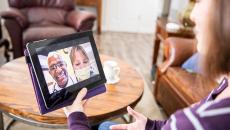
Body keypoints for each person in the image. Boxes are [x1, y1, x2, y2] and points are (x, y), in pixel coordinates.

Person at [64, 0, 230, 130]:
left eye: (200, 1)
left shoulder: (196, 122)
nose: (192, 15)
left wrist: (76, 118)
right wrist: (151, 126)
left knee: (99, 125)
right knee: (105, 126)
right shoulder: (224, 88)